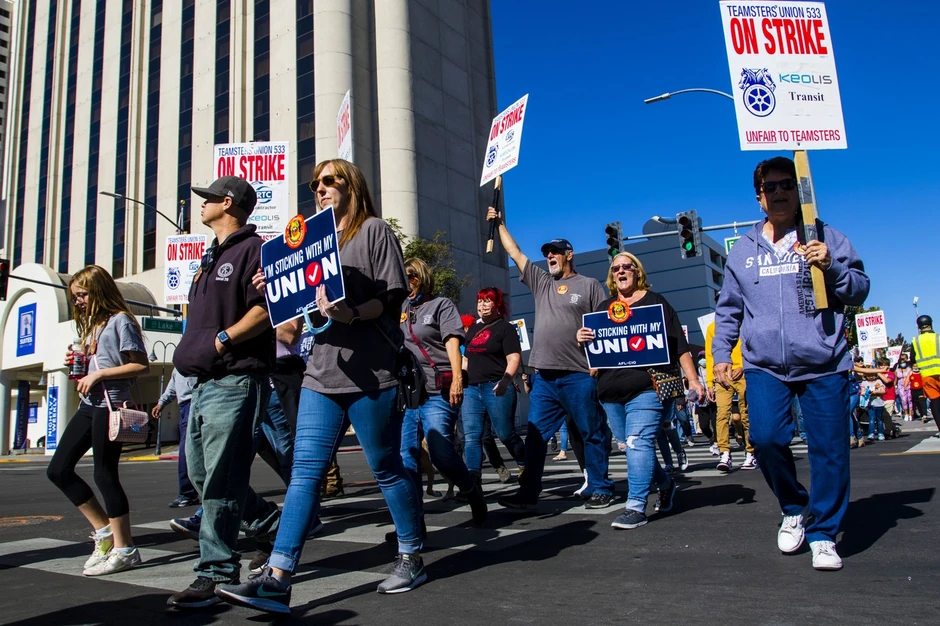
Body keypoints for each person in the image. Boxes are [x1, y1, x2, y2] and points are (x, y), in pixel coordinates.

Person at [215, 159, 425, 615]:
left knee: (386, 466)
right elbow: (291, 328)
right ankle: (278, 576)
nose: (321, 188)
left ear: (352, 185)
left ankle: (411, 553)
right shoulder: (310, 242)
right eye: (315, 184)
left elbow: (391, 299)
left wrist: (349, 313)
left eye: (330, 181)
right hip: (320, 373)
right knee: (305, 473)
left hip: (372, 374)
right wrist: (273, 288)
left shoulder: (374, 232)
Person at [712, 156, 869, 571]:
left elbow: (859, 290)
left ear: (799, 192)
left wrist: (832, 268)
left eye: (787, 185)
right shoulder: (743, 251)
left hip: (824, 363)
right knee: (763, 438)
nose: (779, 192)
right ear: (759, 197)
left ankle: (823, 534)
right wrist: (720, 356)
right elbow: (728, 310)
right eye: (771, 187)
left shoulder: (827, 237)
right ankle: (794, 507)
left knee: (830, 451)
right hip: (764, 366)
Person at [167, 176, 275, 608]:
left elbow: (267, 309)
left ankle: (215, 572)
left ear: (226, 203)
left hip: (235, 378)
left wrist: (223, 340)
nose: (202, 205)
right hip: (203, 383)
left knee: (220, 480)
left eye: (207, 198)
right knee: (202, 476)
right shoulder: (211, 256)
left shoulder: (255, 249)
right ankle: (268, 524)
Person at [487, 205, 614, 510]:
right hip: (544, 377)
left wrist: (597, 365)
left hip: (578, 374)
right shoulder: (542, 282)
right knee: (534, 437)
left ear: (569, 254)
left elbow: (606, 328)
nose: (549, 256)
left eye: (555, 252)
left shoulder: (589, 286)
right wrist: (500, 223)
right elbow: (516, 253)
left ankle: (601, 487)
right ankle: (528, 492)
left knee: (590, 432)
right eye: (547, 253)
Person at [577, 252, 704, 529]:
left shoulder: (656, 302)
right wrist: (582, 338)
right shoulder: (603, 307)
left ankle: (635, 506)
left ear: (637, 271)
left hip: (647, 387)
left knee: (638, 441)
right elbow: (594, 352)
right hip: (610, 392)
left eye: (626, 267)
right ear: (612, 276)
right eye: (615, 268)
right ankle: (665, 483)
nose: (621, 271)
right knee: (630, 446)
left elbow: (680, 347)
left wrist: (693, 380)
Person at [46, 265, 150, 576]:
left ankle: (126, 548)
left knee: (105, 474)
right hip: (89, 405)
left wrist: (100, 373)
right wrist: (79, 363)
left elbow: (140, 365)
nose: (77, 301)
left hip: (111, 405)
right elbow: (93, 363)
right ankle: (105, 533)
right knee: (58, 469)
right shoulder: (93, 326)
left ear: (99, 291)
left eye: (82, 294)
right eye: (74, 296)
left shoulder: (121, 321)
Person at [397, 258, 486, 527]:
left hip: (438, 391)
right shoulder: (399, 308)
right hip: (410, 394)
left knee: (439, 452)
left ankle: (471, 490)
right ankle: (413, 524)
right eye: (404, 276)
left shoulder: (441, 305)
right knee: (406, 455)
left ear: (422, 278)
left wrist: (458, 378)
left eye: (411, 276)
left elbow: (452, 342)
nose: (407, 281)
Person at [462, 286, 526, 482]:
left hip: (497, 386)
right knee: (472, 436)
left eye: (487, 300)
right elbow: (465, 359)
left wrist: (507, 380)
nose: (482, 304)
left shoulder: (505, 328)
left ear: (497, 304)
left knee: (505, 434)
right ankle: (472, 482)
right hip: (471, 389)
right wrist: (459, 379)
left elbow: (514, 358)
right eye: (480, 300)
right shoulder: (472, 329)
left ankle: (526, 464)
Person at [705, 320, 757, 471]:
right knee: (722, 415)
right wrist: (709, 382)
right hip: (721, 376)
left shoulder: (746, 323)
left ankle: (750, 452)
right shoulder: (712, 327)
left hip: (742, 373)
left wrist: (743, 366)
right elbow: (709, 355)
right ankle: (725, 453)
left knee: (745, 414)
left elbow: (752, 347)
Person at [153, 369, 199, 508]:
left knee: (188, 452)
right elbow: (173, 386)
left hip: (195, 402)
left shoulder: (196, 358)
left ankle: (188, 493)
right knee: (188, 451)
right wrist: (161, 403)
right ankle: (188, 493)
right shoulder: (179, 365)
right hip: (184, 406)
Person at [911, 315, 940, 435]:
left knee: (935, 403)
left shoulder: (915, 341)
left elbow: (912, 359)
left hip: (927, 376)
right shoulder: (938, 338)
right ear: (931, 324)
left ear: (918, 327)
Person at [896, 355, 913, 421]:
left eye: (904, 362)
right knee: (903, 400)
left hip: (909, 385)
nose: (903, 363)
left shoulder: (909, 369)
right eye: (901, 362)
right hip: (900, 386)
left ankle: (911, 414)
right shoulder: (897, 370)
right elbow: (895, 379)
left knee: (910, 399)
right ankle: (906, 414)